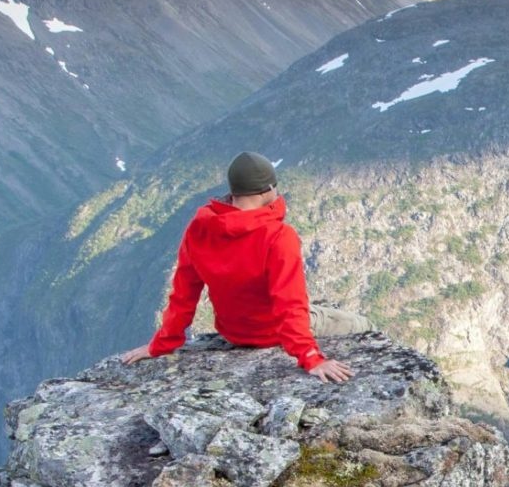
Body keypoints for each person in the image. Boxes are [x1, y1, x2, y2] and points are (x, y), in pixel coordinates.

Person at [121, 151, 354, 383]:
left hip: (232, 333)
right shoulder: (278, 236)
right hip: (271, 333)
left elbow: (183, 295)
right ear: (267, 190)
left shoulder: (201, 227)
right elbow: (289, 304)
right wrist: (312, 357)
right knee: (361, 324)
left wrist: (161, 344)